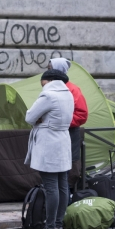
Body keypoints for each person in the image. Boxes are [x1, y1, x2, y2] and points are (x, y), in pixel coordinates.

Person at [25, 68, 74, 229]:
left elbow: (30, 117)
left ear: (48, 80)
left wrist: (40, 118)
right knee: (62, 185)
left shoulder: (48, 95)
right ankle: (58, 224)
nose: (41, 85)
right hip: (63, 140)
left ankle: (50, 226)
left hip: (49, 144)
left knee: (51, 186)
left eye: (42, 82)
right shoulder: (68, 94)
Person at [48, 58, 89, 190]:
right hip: (54, 132)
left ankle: (68, 198)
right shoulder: (49, 88)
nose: (46, 72)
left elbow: (82, 114)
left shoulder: (73, 89)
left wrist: (61, 122)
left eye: (50, 69)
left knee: (68, 167)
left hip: (69, 132)